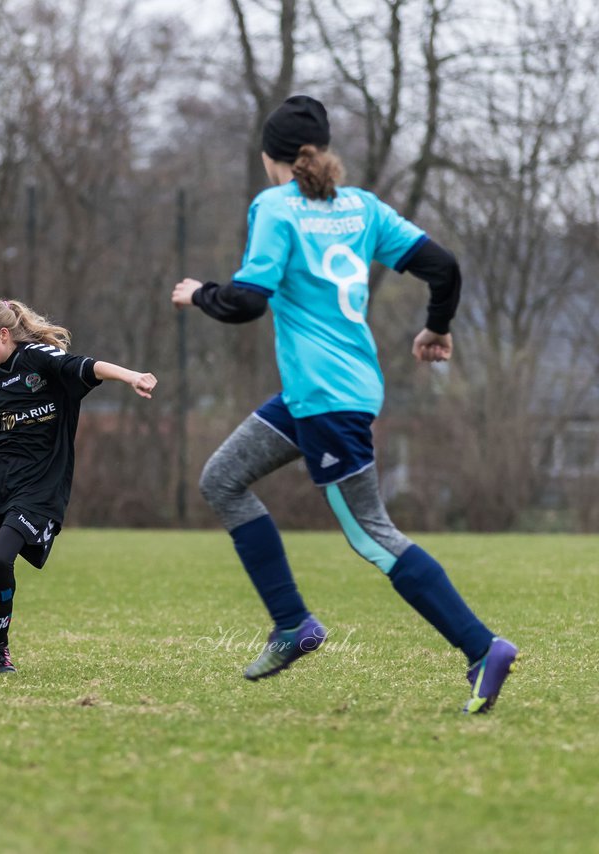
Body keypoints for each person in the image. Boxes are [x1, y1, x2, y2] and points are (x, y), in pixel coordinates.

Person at [170, 95, 517, 714]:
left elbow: (249, 300)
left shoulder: (275, 206)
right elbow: (444, 266)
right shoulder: (361, 207)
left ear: (269, 158)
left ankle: (480, 647)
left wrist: (201, 294)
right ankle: (292, 625)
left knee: (372, 536)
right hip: (321, 393)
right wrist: (437, 328)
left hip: (329, 401)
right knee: (223, 478)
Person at [0, 297, 157, 673]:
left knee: (0, 559)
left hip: (39, 486)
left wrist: (131, 377)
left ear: (3, 333)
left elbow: (89, 367)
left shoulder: (41, 358)